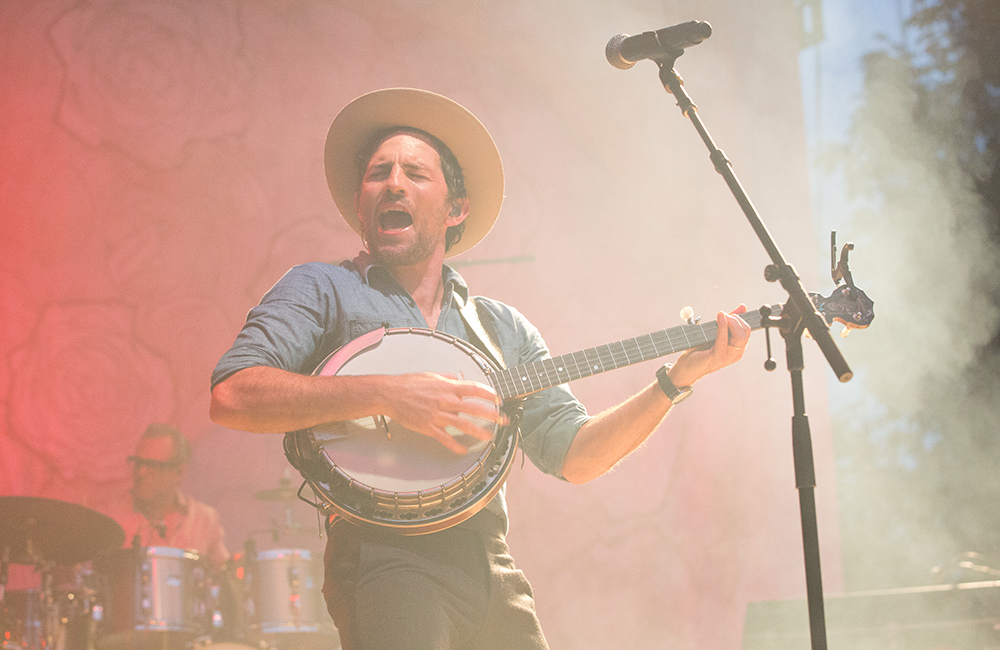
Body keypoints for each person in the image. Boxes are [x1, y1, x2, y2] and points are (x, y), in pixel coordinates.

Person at [209, 88, 750, 650]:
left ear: (456, 209)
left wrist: (675, 381)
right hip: (383, 558)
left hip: (492, 564)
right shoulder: (322, 288)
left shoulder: (503, 328)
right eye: (378, 173)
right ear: (360, 203)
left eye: (416, 173)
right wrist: (391, 394)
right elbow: (234, 394)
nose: (394, 183)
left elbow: (577, 457)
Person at [110, 423, 230, 570]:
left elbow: (223, 574)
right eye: (138, 463)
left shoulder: (204, 519)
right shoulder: (112, 519)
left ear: (179, 472)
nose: (141, 472)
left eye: (152, 465)